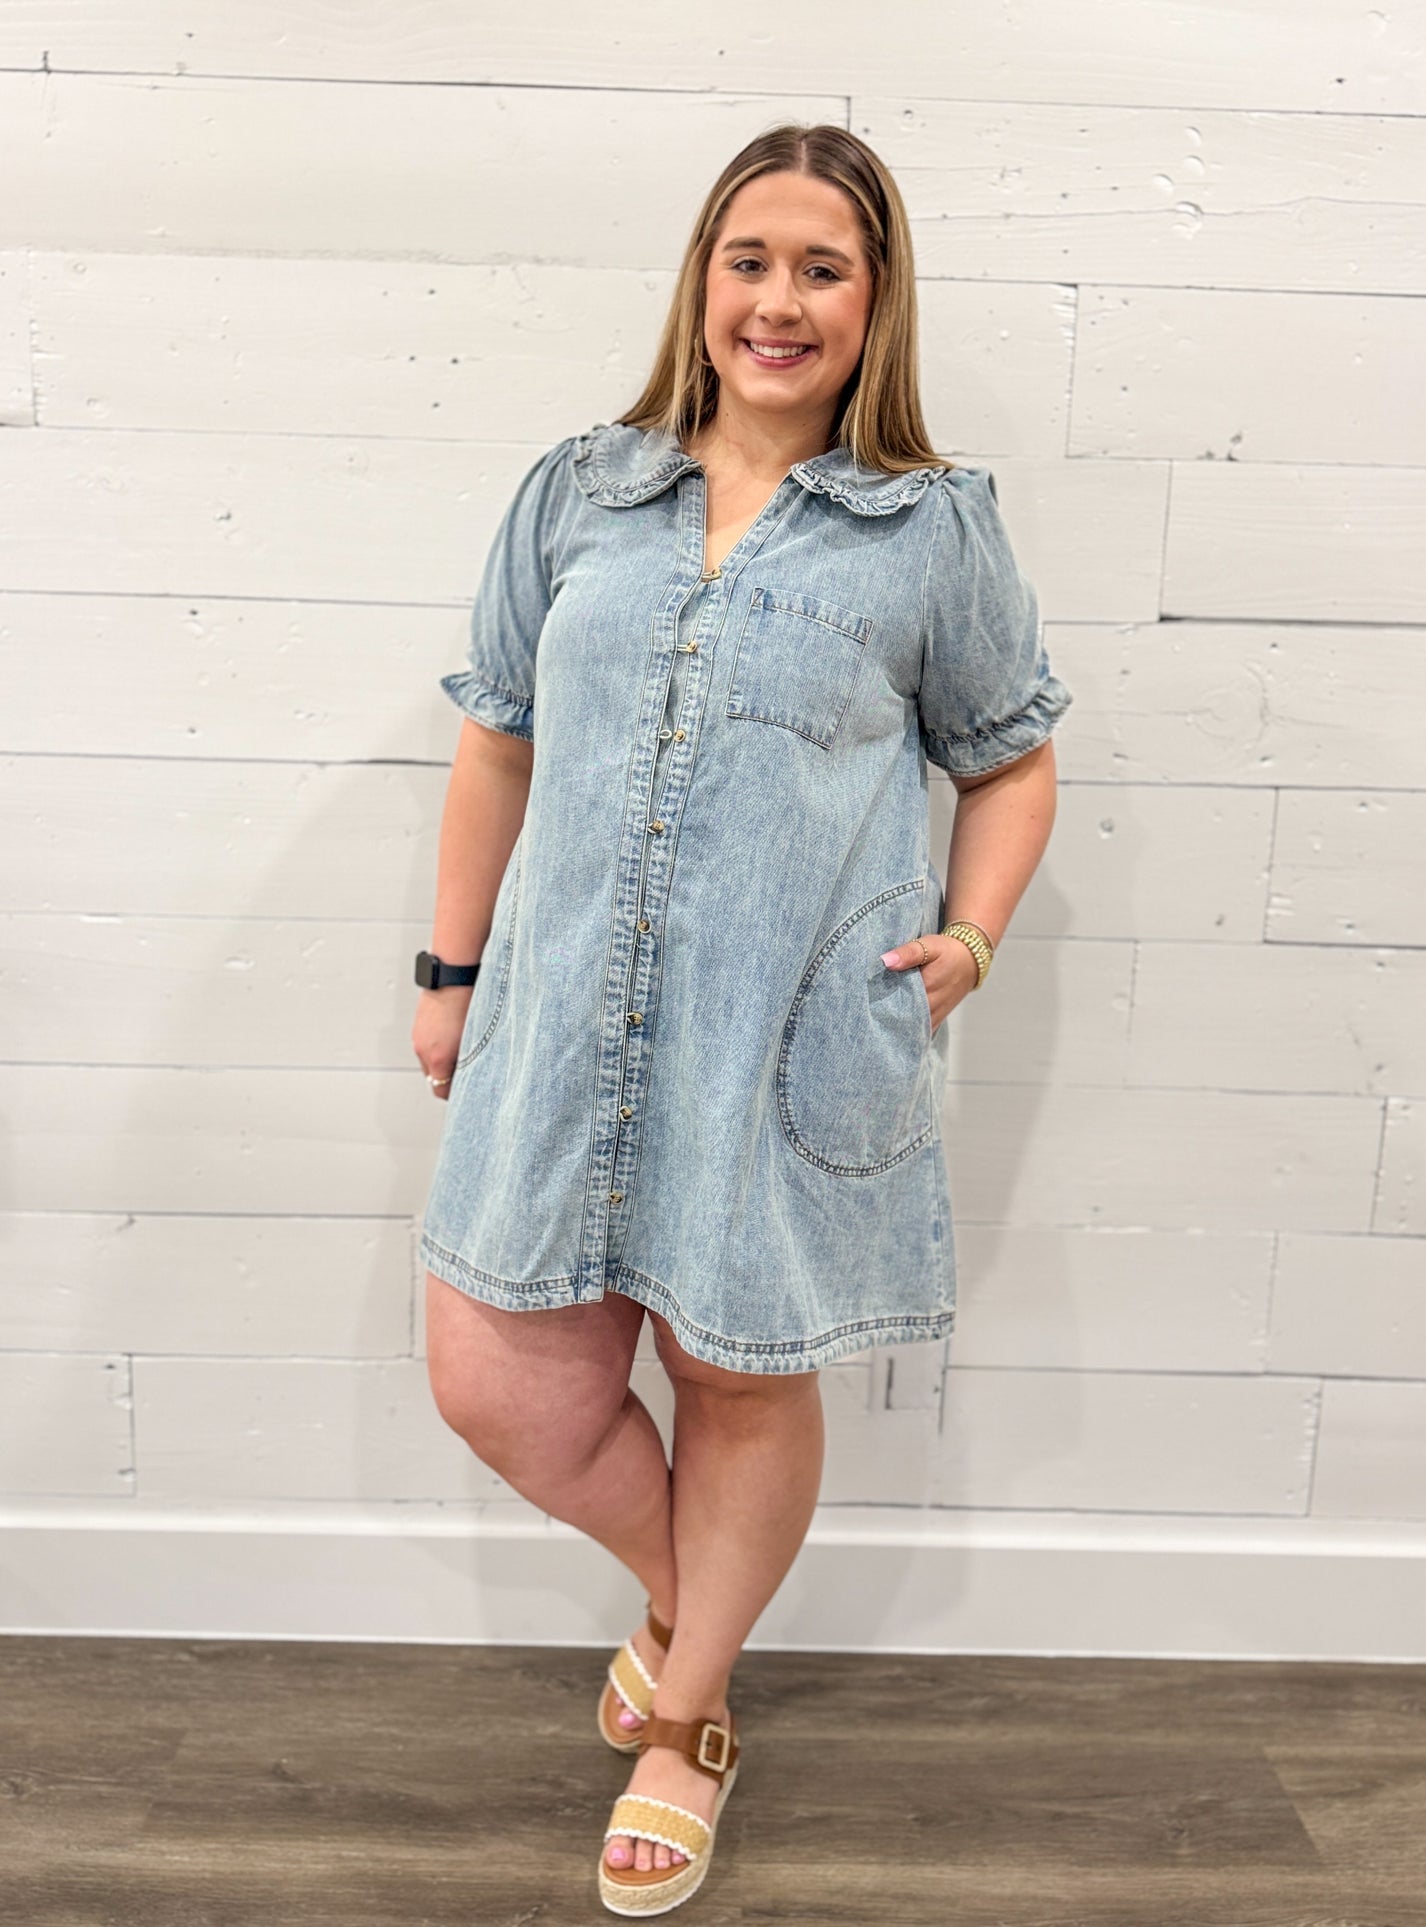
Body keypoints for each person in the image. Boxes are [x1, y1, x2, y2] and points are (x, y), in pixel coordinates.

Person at [412, 120, 1072, 1917]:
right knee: (494, 1376)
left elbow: (1009, 762)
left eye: (822, 269)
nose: (778, 302)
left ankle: (683, 1722)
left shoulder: (931, 528)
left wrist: (972, 940)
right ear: (703, 280)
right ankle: (687, 1608)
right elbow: (496, 736)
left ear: (875, 304)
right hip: (558, 1018)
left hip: (782, 1039)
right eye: (750, 260)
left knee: (732, 1373)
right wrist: (448, 971)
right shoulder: (579, 489)